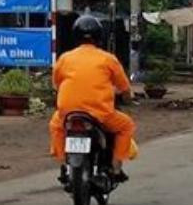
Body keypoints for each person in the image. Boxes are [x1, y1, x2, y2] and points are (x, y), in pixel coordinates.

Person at [49, 14, 136, 178]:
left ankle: (63, 165)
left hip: (68, 113)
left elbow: (56, 84)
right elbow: (124, 87)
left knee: (55, 125)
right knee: (126, 126)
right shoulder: (108, 59)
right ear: (99, 36)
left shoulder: (65, 58)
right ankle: (116, 167)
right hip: (100, 114)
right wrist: (128, 98)